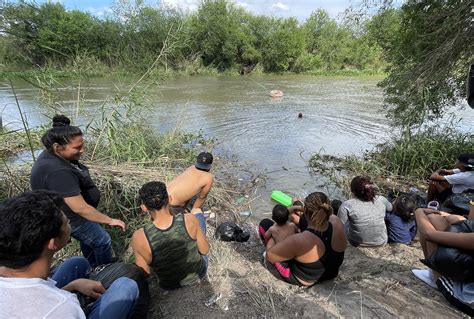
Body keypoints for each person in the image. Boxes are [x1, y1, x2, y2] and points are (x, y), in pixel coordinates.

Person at [0, 190, 138, 319]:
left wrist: (71, 286)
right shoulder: (63, 308)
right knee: (126, 287)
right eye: (66, 222)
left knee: (77, 263)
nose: (69, 223)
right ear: (52, 243)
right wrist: (64, 297)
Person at [30, 115, 125, 267]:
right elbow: (79, 207)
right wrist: (110, 220)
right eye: (77, 148)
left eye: (82, 145)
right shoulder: (57, 171)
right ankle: (103, 271)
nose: (82, 150)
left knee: (91, 241)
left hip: (73, 212)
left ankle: (93, 265)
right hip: (71, 217)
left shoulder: (53, 155)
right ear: (57, 147)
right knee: (102, 240)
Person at [131, 181, 209, 289]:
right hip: (198, 274)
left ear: (144, 207)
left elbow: (145, 273)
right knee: (197, 212)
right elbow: (204, 251)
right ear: (170, 199)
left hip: (168, 285)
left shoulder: (139, 237)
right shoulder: (188, 219)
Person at [259, 192, 347, 286]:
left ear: (305, 211)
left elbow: (270, 256)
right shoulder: (336, 220)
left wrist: (274, 235)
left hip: (307, 278)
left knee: (265, 224)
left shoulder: (298, 240)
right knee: (300, 222)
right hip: (331, 272)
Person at [413, 203, 474, 316]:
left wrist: (418, 211)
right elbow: (464, 221)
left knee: (430, 221)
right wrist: (443, 214)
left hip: (466, 299)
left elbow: (429, 234)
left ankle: (434, 276)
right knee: (440, 219)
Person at [338, 176, 392, 247]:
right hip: (381, 242)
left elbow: (341, 228)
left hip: (355, 243)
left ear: (352, 191)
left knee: (345, 220)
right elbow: (390, 208)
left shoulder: (346, 205)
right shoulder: (381, 199)